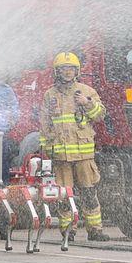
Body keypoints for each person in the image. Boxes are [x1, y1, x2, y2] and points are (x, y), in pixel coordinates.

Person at [41, 51, 107, 240]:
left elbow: (100, 115)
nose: (68, 72)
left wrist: (87, 103)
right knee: (64, 196)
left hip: (84, 155)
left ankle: (95, 230)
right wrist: (47, 150)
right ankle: (68, 231)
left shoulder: (86, 92)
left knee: (89, 193)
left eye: (71, 69)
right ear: (57, 71)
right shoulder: (50, 95)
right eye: (64, 69)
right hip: (61, 157)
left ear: (77, 71)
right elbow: (45, 124)